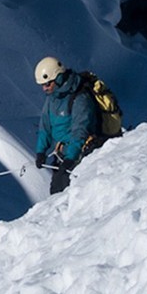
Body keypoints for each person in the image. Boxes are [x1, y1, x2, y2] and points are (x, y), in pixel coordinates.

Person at [33, 56, 98, 195]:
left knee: (66, 194)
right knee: (56, 193)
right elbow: (45, 126)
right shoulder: (53, 98)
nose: (45, 88)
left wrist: (70, 158)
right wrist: (40, 151)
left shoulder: (79, 97)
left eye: (48, 84)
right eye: (43, 85)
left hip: (80, 154)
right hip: (62, 155)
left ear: (58, 77)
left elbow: (80, 131)